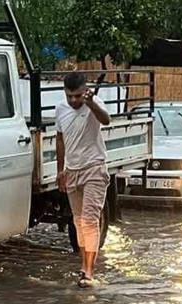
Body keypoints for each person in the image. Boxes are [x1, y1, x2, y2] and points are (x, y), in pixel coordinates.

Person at [56, 72, 111, 288]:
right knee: (78, 221)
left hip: (94, 168)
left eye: (78, 96)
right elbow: (60, 139)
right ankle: (83, 265)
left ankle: (89, 272)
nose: (73, 100)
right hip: (72, 171)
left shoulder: (94, 104)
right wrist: (61, 171)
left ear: (85, 91)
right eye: (69, 96)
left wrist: (91, 103)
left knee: (89, 220)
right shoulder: (61, 109)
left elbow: (106, 120)